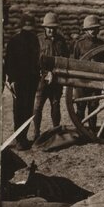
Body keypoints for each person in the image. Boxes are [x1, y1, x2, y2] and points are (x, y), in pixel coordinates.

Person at [4, 15, 40, 149]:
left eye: (30, 30)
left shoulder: (35, 40)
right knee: (19, 110)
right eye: (26, 30)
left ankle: (23, 137)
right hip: (19, 81)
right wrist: (11, 80)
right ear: (21, 28)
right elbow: (9, 63)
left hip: (31, 81)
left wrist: (38, 75)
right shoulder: (14, 41)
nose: (28, 32)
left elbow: (37, 60)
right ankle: (18, 139)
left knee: (28, 110)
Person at [33, 12, 70, 140]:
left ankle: (55, 131)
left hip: (56, 79)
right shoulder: (38, 40)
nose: (51, 30)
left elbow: (65, 59)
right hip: (41, 80)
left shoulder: (61, 41)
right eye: (48, 27)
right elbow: (34, 60)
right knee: (38, 107)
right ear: (44, 27)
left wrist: (55, 74)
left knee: (56, 104)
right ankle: (36, 132)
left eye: (53, 28)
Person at [70, 15, 104, 130]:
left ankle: (92, 130)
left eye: (95, 28)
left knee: (93, 107)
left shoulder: (102, 44)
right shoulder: (79, 44)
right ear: (86, 30)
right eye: (91, 28)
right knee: (80, 106)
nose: (93, 31)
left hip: (96, 81)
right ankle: (79, 130)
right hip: (81, 81)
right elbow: (74, 62)